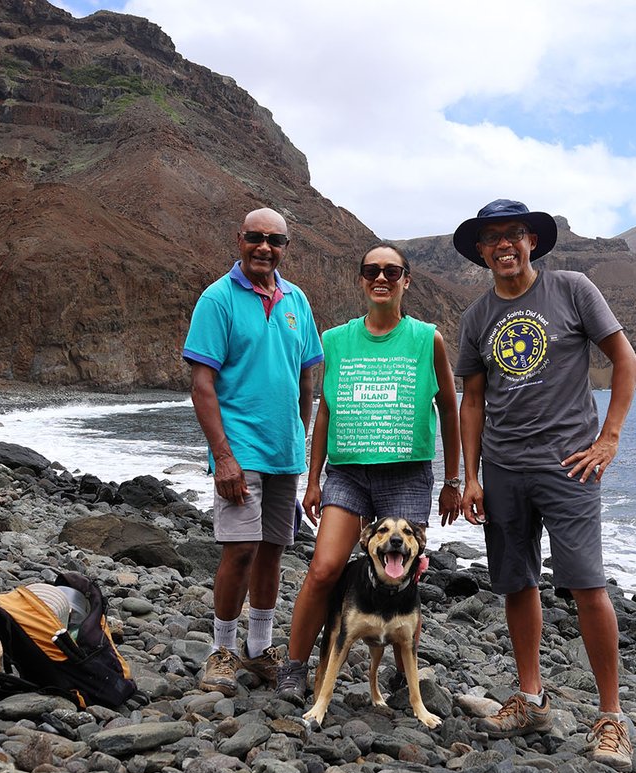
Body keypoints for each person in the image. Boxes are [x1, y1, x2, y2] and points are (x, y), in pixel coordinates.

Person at [453, 199, 636, 769]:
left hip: (569, 465)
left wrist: (608, 439)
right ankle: (532, 698)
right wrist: (471, 477)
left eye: (515, 234)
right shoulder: (478, 316)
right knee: (516, 584)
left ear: (532, 241)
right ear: (481, 251)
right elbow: (474, 400)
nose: (505, 245)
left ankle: (610, 718)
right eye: (493, 238)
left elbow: (625, 362)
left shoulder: (573, 289)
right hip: (504, 468)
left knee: (587, 587)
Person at [275, 242, 462, 703]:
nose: (381, 277)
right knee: (323, 569)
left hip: (406, 473)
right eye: (371, 270)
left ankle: (403, 679)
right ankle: (294, 669)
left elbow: (450, 407)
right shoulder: (336, 340)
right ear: (361, 279)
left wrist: (455, 479)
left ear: (406, 280)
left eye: (391, 271)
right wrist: (313, 478)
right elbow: (325, 413)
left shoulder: (427, 338)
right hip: (349, 474)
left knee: (406, 572)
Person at [182, 207, 323, 697]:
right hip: (239, 450)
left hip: (284, 451)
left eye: (276, 240)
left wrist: (300, 438)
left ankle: (259, 648)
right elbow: (202, 383)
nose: (265, 247)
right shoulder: (217, 299)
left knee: (272, 552)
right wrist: (222, 456)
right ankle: (221, 650)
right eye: (256, 238)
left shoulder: (296, 300)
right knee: (239, 550)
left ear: (286, 247)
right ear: (239, 239)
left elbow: (307, 376)